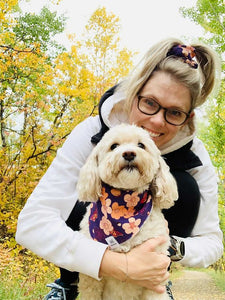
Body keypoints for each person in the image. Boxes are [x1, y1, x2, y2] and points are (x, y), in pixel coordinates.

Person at [16, 38, 223, 300]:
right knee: (87, 194)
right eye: (149, 103)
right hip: (88, 264)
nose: (156, 121)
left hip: (152, 255)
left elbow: (212, 243)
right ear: (133, 93)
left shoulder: (196, 156)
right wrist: (120, 265)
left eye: (174, 112)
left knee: (186, 188)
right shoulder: (91, 133)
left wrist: (161, 250)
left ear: (188, 118)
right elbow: (32, 223)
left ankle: (154, 285)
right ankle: (69, 286)